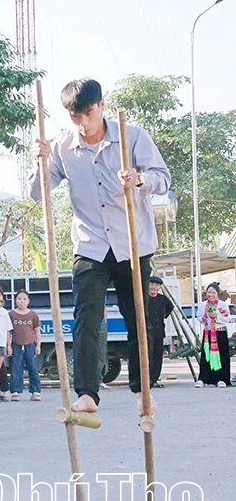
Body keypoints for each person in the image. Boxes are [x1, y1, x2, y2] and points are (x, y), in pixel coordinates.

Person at [31, 78, 171, 415]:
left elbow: (163, 179)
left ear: (102, 105)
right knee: (86, 317)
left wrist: (140, 179)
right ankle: (88, 394)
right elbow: (39, 194)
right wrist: (38, 162)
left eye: (88, 113)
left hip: (132, 243)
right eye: (75, 116)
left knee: (138, 317)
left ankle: (142, 391)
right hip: (91, 244)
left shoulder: (132, 137)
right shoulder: (63, 147)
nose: (83, 122)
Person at [195, 282, 232, 388]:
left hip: (220, 333)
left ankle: (222, 379)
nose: (211, 295)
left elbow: (227, 318)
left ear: (217, 293)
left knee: (222, 356)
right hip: (208, 333)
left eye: (213, 292)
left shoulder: (222, 305)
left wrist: (217, 316)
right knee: (206, 356)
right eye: (209, 292)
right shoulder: (203, 304)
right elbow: (199, 316)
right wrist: (203, 319)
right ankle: (203, 378)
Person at [9, 290, 42, 401]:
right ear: (15, 300)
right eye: (19, 299)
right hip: (16, 344)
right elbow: (8, 332)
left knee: (33, 367)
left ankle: (35, 391)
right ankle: (15, 391)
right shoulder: (11, 314)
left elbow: (37, 331)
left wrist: (38, 345)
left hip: (30, 344)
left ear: (28, 301)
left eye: (24, 299)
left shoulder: (33, 315)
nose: (21, 301)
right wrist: (8, 346)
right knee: (15, 367)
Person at [146, 276, 173, 387]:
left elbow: (170, 307)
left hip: (159, 331)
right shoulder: (143, 298)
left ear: (160, 287)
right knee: (148, 356)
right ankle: (146, 380)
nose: (153, 287)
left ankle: (154, 379)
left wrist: (164, 315)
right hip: (147, 332)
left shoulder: (163, 299)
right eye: (151, 284)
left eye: (156, 285)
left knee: (157, 356)